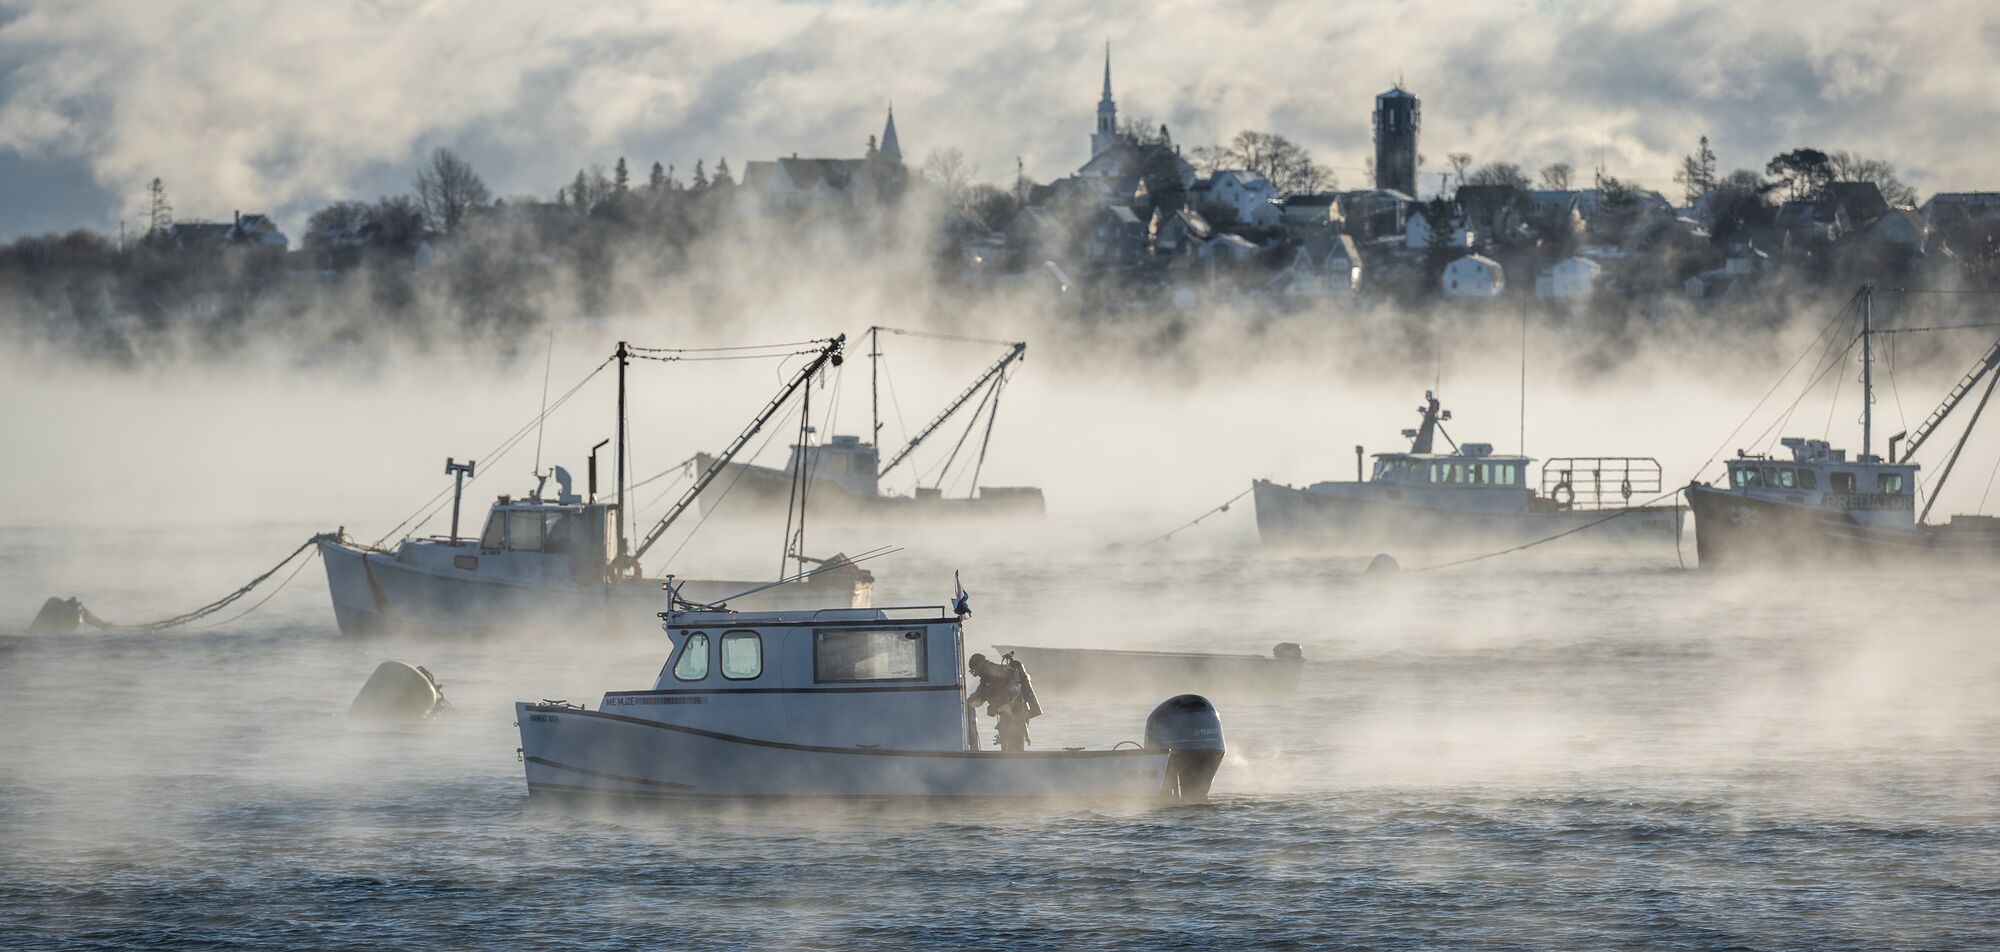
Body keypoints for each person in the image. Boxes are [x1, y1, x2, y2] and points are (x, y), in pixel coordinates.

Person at [966, 653, 1032, 752]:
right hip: (1006, 718)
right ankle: (1007, 765)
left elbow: (1015, 691)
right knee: (1006, 751)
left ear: (980, 666)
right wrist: (963, 703)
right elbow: (978, 697)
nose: (976, 675)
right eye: (973, 673)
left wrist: (996, 705)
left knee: (1016, 751)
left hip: (1017, 716)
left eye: (975, 672)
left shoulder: (1000, 672)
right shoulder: (986, 679)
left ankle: (1017, 766)